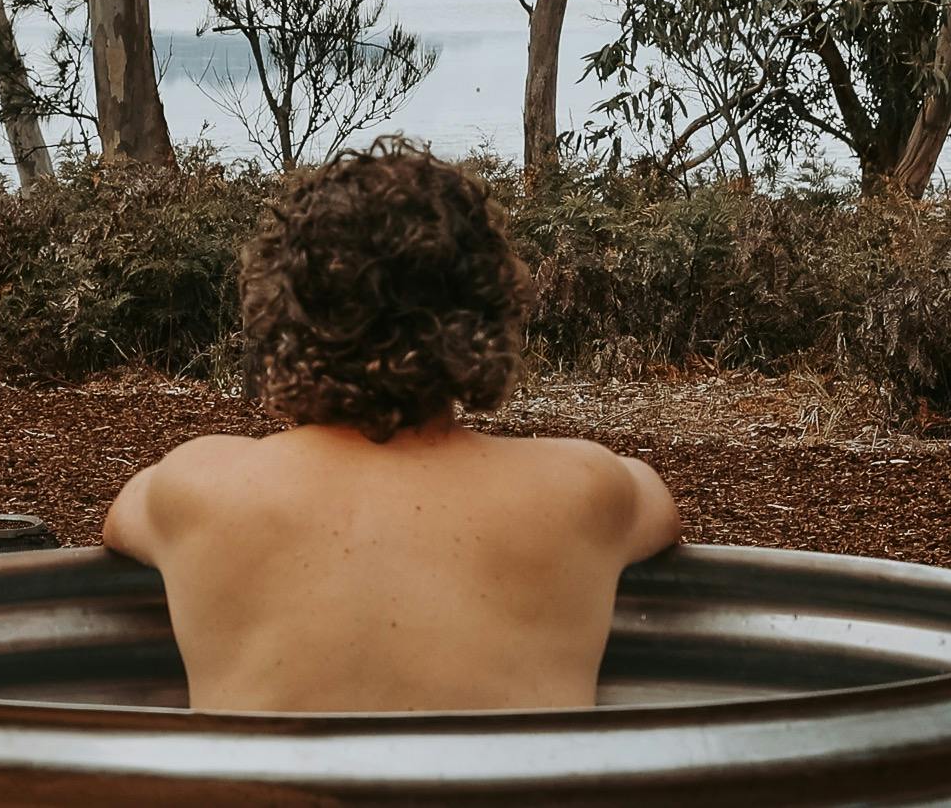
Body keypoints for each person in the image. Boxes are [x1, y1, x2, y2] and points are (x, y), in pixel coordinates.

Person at [102, 140, 681, 713]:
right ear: (488, 314)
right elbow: (660, 512)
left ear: (281, 312)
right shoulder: (585, 488)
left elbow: (118, 525)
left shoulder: (194, 488)